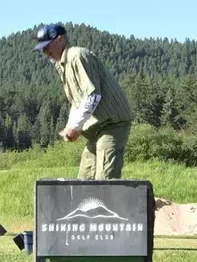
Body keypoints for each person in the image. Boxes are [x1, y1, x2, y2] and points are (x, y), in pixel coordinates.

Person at [33, 23, 132, 179]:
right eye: (42, 49)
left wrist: (75, 127)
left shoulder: (77, 56)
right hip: (95, 130)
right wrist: (71, 127)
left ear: (60, 39)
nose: (45, 52)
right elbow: (77, 102)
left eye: (47, 46)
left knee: (105, 182)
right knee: (84, 181)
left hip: (112, 125)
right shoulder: (63, 64)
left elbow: (93, 95)